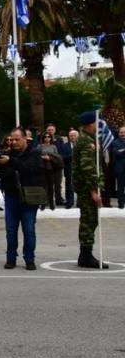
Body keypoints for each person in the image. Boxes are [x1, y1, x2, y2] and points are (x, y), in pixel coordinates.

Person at [0, 128, 44, 270]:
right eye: (11, 139)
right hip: (11, 197)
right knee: (10, 230)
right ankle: (10, 258)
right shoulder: (7, 154)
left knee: (28, 230)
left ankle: (29, 259)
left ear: (25, 139)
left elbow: (27, 169)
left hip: (28, 198)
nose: (13, 142)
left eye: (16, 139)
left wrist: (10, 161)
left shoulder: (34, 153)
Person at [73, 112, 109, 269]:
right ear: (89, 124)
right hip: (87, 189)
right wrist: (94, 192)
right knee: (88, 221)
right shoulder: (86, 141)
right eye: (96, 123)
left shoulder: (88, 139)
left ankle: (85, 254)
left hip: (87, 188)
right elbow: (87, 168)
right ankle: (86, 256)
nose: (98, 125)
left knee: (90, 220)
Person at [37, 132, 63, 210]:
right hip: (42, 168)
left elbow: (57, 157)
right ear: (43, 138)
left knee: (51, 186)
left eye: (48, 137)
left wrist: (50, 158)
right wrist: (43, 157)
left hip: (52, 168)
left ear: (51, 138)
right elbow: (37, 156)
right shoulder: (40, 146)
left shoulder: (54, 146)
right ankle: (43, 203)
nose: (47, 138)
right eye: (45, 137)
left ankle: (51, 204)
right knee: (44, 186)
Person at [113, 126, 125, 209]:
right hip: (120, 168)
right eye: (121, 132)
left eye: (124, 132)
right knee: (120, 187)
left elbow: (121, 153)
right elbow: (117, 154)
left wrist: (122, 150)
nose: (123, 134)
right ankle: (121, 204)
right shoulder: (115, 142)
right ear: (118, 133)